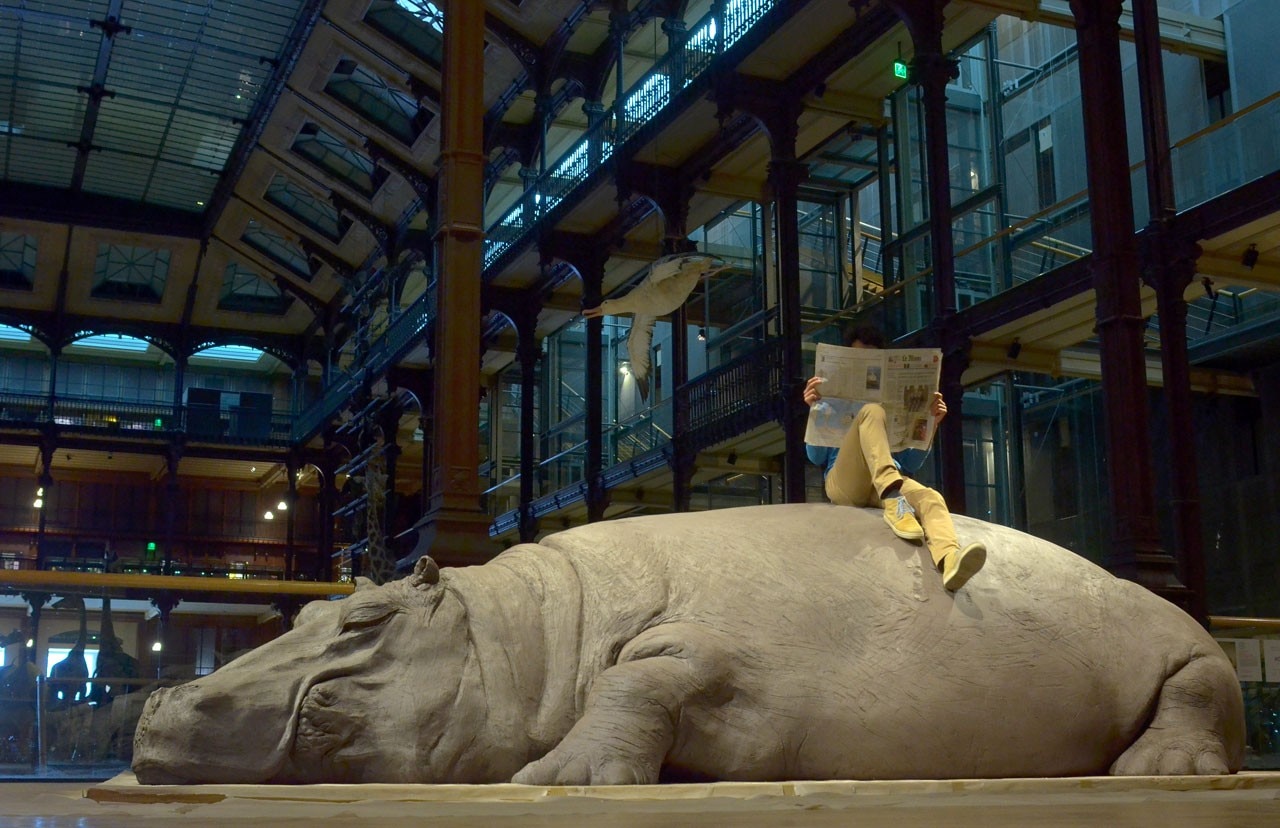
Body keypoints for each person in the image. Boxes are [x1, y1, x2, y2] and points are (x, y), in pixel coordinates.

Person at [804, 324, 986, 591]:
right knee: (872, 412)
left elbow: (910, 464)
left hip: (887, 479)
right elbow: (815, 456)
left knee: (931, 497)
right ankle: (893, 498)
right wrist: (815, 410)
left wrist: (932, 423)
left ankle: (949, 560)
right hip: (845, 483)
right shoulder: (831, 400)